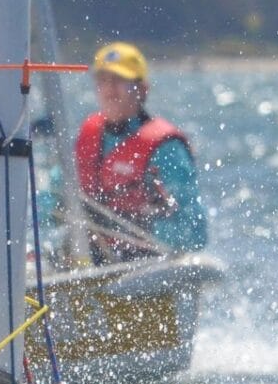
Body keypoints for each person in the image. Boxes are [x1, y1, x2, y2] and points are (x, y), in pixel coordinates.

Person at [73, 42, 207, 262]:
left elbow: (196, 234)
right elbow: (54, 199)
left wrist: (141, 226)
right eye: (103, 80)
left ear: (142, 89)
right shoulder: (88, 135)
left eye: (119, 80)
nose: (110, 89)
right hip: (89, 257)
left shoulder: (167, 148)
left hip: (144, 262)